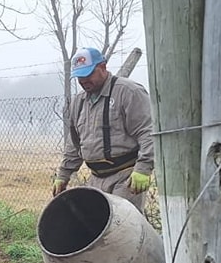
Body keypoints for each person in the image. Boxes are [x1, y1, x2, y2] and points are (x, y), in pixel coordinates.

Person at [53, 47, 155, 213]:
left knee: (123, 228)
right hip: (96, 179)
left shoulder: (128, 92)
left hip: (126, 176)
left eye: (88, 74)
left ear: (103, 67)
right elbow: (74, 144)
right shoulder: (78, 102)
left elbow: (147, 132)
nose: (83, 80)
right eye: (79, 76)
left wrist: (143, 168)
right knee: (97, 229)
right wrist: (63, 175)